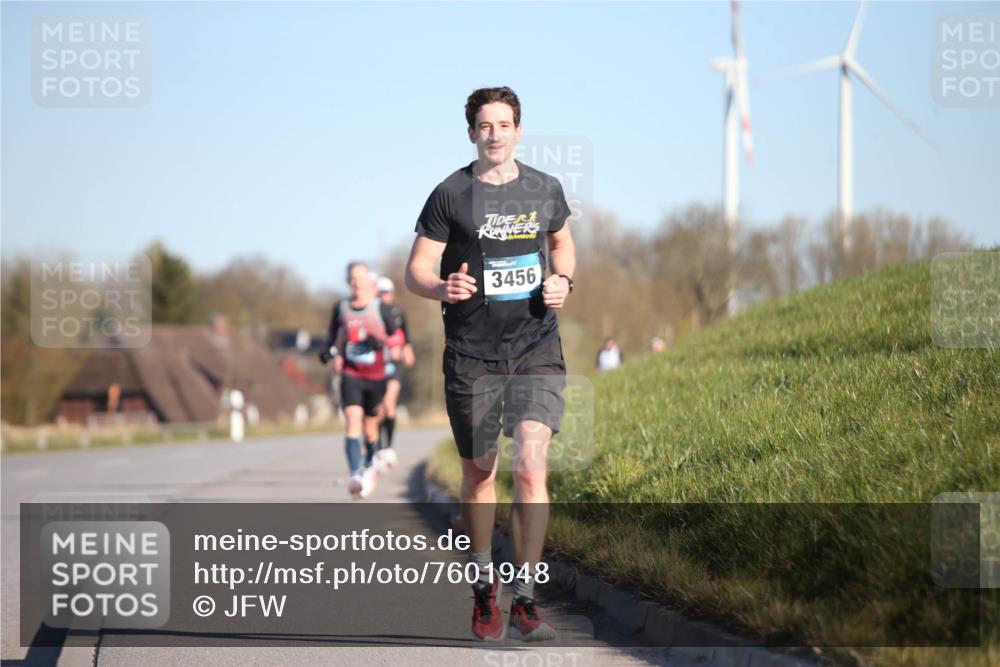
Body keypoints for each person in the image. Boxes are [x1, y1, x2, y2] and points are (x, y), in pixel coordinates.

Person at [405, 86, 575, 642]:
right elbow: (417, 271)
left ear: (519, 130)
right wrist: (441, 285)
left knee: (530, 465)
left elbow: (563, 245)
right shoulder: (450, 194)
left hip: (535, 347)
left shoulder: (545, 188)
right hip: (472, 356)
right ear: (472, 132)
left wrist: (562, 280)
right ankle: (484, 590)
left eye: (504, 124)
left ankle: (526, 594)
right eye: (485, 125)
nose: (495, 133)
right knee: (481, 474)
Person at [319, 261, 398, 499]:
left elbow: (395, 338)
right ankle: (355, 473)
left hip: (376, 376)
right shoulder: (341, 308)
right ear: (348, 281)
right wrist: (329, 351)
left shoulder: (380, 308)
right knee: (353, 418)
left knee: (370, 425)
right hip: (351, 374)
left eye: (360, 278)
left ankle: (370, 465)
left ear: (369, 281)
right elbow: (332, 336)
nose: (356, 282)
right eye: (352, 278)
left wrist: (380, 342)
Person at [374, 276, 415, 470]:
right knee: (378, 409)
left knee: (389, 405)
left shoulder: (398, 312)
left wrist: (407, 349)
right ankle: (377, 447)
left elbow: (405, 335)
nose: (384, 296)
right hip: (376, 365)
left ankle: (388, 447)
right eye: (381, 293)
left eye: (387, 292)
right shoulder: (372, 312)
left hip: (395, 364)